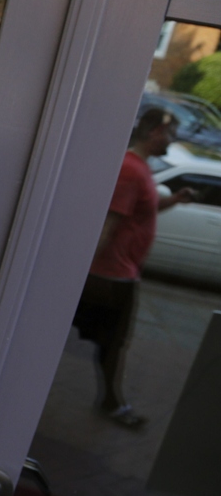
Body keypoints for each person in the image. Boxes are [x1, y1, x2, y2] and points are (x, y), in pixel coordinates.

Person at [73, 107, 195, 430]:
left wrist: (176, 200)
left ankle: (111, 402)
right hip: (110, 277)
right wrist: (79, 272)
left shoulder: (139, 169)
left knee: (108, 342)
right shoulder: (131, 170)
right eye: (170, 133)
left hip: (113, 273)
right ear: (155, 133)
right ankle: (113, 404)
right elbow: (109, 223)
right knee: (113, 343)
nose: (173, 139)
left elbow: (142, 209)